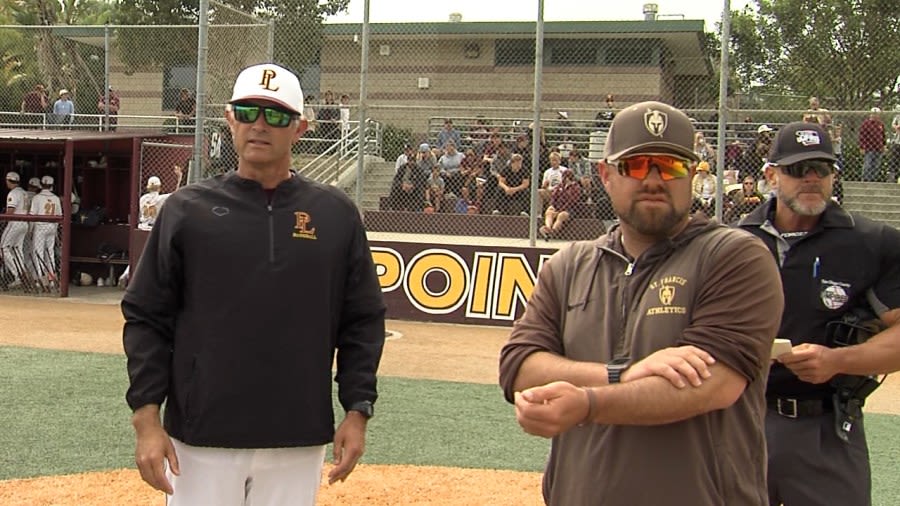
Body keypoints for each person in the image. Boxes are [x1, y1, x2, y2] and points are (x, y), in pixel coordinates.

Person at [122, 62, 387, 506]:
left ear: (301, 127)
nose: (260, 125)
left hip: (297, 437)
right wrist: (147, 419)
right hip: (200, 437)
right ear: (230, 119)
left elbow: (362, 320)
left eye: (278, 115)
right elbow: (146, 317)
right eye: (248, 112)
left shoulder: (336, 215)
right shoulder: (186, 210)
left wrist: (358, 410)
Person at [499, 101, 783, 506]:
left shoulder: (734, 256)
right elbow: (519, 368)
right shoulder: (569, 265)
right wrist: (621, 375)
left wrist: (587, 403)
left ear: (692, 173)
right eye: (636, 165)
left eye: (671, 166)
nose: (654, 179)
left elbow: (712, 385)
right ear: (606, 175)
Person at [738, 121, 900, 506]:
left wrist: (837, 360)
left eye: (821, 168)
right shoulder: (732, 241)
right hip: (740, 422)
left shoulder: (870, 242)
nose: (811, 178)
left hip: (825, 427)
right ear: (770, 175)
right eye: (797, 169)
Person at [28, 175, 61, 288]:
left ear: (41, 185)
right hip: (51, 226)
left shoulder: (37, 197)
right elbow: (59, 216)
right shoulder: (56, 198)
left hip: (40, 226)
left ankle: (39, 279)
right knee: (50, 253)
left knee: (38, 253)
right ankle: (51, 279)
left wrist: (30, 231)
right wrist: (56, 232)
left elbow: (32, 216)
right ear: (51, 186)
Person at [2, 171, 29, 289]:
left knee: (3, 248)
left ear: (8, 181)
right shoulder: (24, 192)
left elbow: (10, 212)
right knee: (17, 250)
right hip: (24, 223)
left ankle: (18, 275)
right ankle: (21, 273)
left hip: (15, 223)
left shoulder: (13, 193)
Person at [137, 165, 184, 231]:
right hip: (153, 228)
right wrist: (180, 177)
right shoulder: (161, 198)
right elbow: (176, 193)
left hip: (142, 226)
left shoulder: (142, 198)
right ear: (159, 188)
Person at [539, 168, 580, 240]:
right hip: (557, 207)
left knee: (561, 215)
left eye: (564, 177)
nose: (563, 178)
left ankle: (552, 231)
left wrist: (559, 211)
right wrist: (552, 205)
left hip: (569, 210)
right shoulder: (560, 186)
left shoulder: (575, 187)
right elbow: (554, 197)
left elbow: (571, 202)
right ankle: (548, 229)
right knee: (549, 212)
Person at [859, 107, 886, 182]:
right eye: (874, 114)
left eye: (877, 114)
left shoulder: (880, 124)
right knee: (868, 165)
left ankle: (873, 180)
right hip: (869, 147)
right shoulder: (866, 124)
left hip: (878, 148)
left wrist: (884, 145)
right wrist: (862, 147)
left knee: (876, 166)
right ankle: (865, 179)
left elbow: (883, 135)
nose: (875, 116)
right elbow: (862, 136)